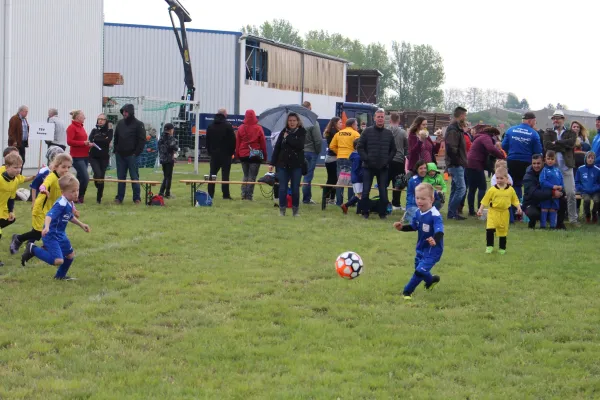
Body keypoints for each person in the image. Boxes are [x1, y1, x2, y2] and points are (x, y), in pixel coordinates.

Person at [21, 174, 91, 280]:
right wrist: (47, 227)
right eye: (73, 191)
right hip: (51, 234)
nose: (76, 193)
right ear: (63, 192)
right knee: (58, 260)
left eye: (77, 190)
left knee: (70, 256)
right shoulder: (61, 204)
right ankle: (32, 249)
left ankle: (60, 276)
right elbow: (49, 215)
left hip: (60, 234)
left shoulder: (69, 202)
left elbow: (69, 217)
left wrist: (82, 225)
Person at [10, 153, 73, 255]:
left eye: (68, 167)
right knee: (39, 232)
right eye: (64, 167)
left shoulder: (63, 179)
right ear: (56, 166)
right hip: (40, 208)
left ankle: (35, 246)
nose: (66, 170)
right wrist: (43, 190)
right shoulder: (51, 177)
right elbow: (44, 185)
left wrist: (73, 208)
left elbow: (66, 194)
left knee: (44, 231)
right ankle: (19, 239)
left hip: (50, 210)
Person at [393, 183, 444, 301]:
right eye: (417, 198)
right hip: (421, 247)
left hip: (433, 250)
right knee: (419, 268)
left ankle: (407, 291)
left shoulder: (435, 215)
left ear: (431, 199)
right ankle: (431, 281)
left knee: (420, 271)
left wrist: (434, 239)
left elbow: (440, 231)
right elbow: (414, 226)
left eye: (423, 198)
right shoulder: (418, 212)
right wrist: (402, 228)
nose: (419, 201)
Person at [357, 109, 396, 219]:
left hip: (383, 167)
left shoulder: (388, 133)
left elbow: (393, 149)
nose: (380, 119)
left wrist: (387, 161)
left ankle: (382, 213)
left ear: (384, 119)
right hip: (368, 167)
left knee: (383, 191)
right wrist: (366, 158)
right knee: (366, 191)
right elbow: (359, 147)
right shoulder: (367, 131)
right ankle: (365, 212)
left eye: (382, 117)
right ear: (374, 118)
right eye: (378, 117)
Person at [502, 111, 543, 214]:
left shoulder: (511, 130)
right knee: (528, 186)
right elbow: (538, 151)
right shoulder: (534, 133)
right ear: (530, 121)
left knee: (512, 185)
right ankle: (523, 210)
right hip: (526, 163)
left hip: (511, 161)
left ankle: (511, 211)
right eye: (534, 122)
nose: (535, 124)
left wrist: (512, 151)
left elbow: (503, 146)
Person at [543, 110, 578, 225]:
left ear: (563, 119)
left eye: (558, 118)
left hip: (567, 168)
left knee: (571, 194)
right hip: (553, 170)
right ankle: (552, 218)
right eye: (554, 118)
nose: (556, 120)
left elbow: (571, 143)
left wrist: (556, 143)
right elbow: (547, 146)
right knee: (554, 193)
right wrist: (563, 145)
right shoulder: (548, 133)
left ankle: (573, 219)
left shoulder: (570, 132)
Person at [477, 167, 522, 254]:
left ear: (506, 178)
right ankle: (489, 246)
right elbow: (485, 200)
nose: (499, 180)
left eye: (501, 178)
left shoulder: (510, 190)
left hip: (504, 213)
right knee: (490, 229)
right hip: (493, 212)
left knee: (503, 231)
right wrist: (480, 209)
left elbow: (515, 200)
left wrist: (518, 207)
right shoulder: (492, 190)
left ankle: (502, 248)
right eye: (497, 178)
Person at [269, 112, 306, 217]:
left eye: (294, 120)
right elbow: (277, 148)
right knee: (282, 188)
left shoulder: (302, 132)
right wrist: (272, 163)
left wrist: (288, 137)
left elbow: (299, 145)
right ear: (287, 122)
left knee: (295, 188)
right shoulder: (283, 132)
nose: (292, 122)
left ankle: (295, 210)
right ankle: (282, 210)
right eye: (290, 120)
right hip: (282, 164)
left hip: (296, 165)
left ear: (298, 121)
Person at [0, 154, 33, 266]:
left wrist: (10, 211)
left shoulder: (15, 181)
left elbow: (11, 198)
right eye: (15, 167)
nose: (18, 170)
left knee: (11, 219)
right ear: (7, 167)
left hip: (2, 210)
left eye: (20, 167)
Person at [466, 126, 506, 216]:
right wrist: (502, 157)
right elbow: (491, 148)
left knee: (472, 188)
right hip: (476, 163)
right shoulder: (486, 137)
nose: (496, 139)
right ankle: (480, 210)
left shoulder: (480, 137)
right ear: (493, 134)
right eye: (496, 136)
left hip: (469, 163)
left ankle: (471, 211)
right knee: (482, 187)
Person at [523, 154, 567, 230]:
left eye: (538, 163)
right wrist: (552, 193)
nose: (536, 165)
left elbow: (561, 185)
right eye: (534, 163)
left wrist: (561, 192)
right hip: (532, 202)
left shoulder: (552, 171)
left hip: (548, 200)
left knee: (563, 200)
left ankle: (559, 224)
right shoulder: (528, 176)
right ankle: (532, 223)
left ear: (543, 162)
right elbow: (534, 193)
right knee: (533, 213)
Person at [113, 104, 146, 204]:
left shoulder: (139, 124)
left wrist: (136, 153)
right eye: (123, 111)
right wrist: (115, 150)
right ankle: (119, 198)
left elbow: (142, 140)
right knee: (120, 177)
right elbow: (116, 137)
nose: (124, 113)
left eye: (126, 112)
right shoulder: (120, 123)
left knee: (134, 177)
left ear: (131, 112)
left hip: (132, 156)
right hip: (120, 155)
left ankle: (137, 198)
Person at [236, 109, 267, 201]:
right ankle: (249, 196)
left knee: (245, 175)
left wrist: (237, 154)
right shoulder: (258, 128)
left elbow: (238, 143)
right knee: (252, 176)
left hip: (243, 154)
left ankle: (243, 194)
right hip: (255, 154)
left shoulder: (241, 128)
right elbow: (263, 143)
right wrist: (264, 156)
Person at [206, 108, 236, 200]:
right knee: (225, 175)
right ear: (224, 115)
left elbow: (207, 141)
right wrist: (231, 152)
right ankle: (226, 195)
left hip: (214, 155)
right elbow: (233, 141)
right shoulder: (228, 126)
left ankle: (210, 194)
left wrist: (210, 152)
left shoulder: (210, 126)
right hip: (226, 154)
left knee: (212, 174)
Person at [445, 107, 469, 220]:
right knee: (461, 188)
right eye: (465, 115)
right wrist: (457, 162)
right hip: (455, 164)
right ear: (460, 116)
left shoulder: (457, 128)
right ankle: (452, 212)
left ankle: (452, 212)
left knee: (456, 188)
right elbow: (451, 148)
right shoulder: (453, 129)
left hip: (457, 163)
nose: (465, 117)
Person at [330, 118, 360, 206]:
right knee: (352, 180)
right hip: (351, 158)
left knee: (340, 180)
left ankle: (339, 202)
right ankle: (351, 202)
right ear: (353, 125)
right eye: (356, 124)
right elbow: (359, 145)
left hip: (340, 158)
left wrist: (339, 152)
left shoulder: (338, 133)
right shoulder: (356, 134)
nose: (357, 126)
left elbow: (332, 146)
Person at [67, 110, 94, 203]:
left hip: (85, 156)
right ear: (78, 117)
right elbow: (69, 142)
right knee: (85, 177)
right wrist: (83, 143)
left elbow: (82, 141)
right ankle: (80, 196)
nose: (85, 118)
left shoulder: (81, 127)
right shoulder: (71, 128)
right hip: (76, 157)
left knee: (79, 178)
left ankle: (74, 197)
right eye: (83, 116)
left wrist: (88, 144)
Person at [88, 113, 114, 204]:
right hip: (93, 156)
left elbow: (108, 140)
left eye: (102, 119)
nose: (100, 120)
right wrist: (102, 139)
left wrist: (98, 139)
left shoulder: (109, 131)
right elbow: (90, 140)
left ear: (106, 121)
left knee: (101, 176)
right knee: (97, 174)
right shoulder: (94, 130)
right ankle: (96, 181)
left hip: (104, 157)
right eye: (99, 119)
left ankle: (99, 198)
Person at [301, 101, 322, 205]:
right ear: (310, 108)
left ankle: (292, 196)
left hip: (299, 152)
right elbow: (318, 140)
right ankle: (306, 199)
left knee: (295, 176)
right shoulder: (313, 122)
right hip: (310, 152)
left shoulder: (297, 121)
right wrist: (317, 151)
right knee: (308, 177)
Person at [538, 151, 564, 229]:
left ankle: (552, 226)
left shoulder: (557, 170)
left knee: (553, 209)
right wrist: (552, 186)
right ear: (545, 160)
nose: (550, 161)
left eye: (552, 159)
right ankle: (543, 226)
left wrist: (561, 187)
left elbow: (561, 180)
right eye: (548, 159)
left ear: (555, 160)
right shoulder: (544, 170)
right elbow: (542, 181)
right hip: (546, 193)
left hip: (556, 194)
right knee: (545, 208)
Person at [388, 112, 408, 210]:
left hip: (387, 160)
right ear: (399, 120)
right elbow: (406, 146)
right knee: (398, 182)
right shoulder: (403, 132)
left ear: (390, 120)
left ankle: (384, 201)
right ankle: (396, 203)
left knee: (384, 182)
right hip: (399, 160)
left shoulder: (386, 131)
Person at [575, 151, 600, 223]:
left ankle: (594, 213)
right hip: (584, 191)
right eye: (589, 157)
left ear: (594, 160)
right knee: (586, 200)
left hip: (595, 191)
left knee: (597, 200)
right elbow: (577, 182)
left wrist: (594, 189)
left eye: (592, 158)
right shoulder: (580, 169)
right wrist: (582, 189)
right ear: (586, 159)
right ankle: (587, 215)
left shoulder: (598, 170)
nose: (590, 159)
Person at [341, 139, 363, 214]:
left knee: (360, 194)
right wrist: (362, 176)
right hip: (358, 178)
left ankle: (347, 206)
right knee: (361, 195)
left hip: (355, 177)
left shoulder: (354, 155)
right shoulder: (358, 157)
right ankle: (358, 211)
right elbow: (357, 169)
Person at [323, 117, 342, 204]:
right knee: (334, 179)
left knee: (331, 179)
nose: (341, 124)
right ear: (335, 123)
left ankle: (328, 198)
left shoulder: (328, 131)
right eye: (340, 122)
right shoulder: (336, 133)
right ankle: (330, 199)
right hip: (333, 157)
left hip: (329, 158)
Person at [157, 123, 179, 199]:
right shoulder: (171, 138)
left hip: (162, 159)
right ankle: (166, 193)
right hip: (169, 159)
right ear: (170, 130)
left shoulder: (161, 137)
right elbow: (174, 147)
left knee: (165, 176)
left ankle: (162, 192)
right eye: (172, 129)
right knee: (168, 177)